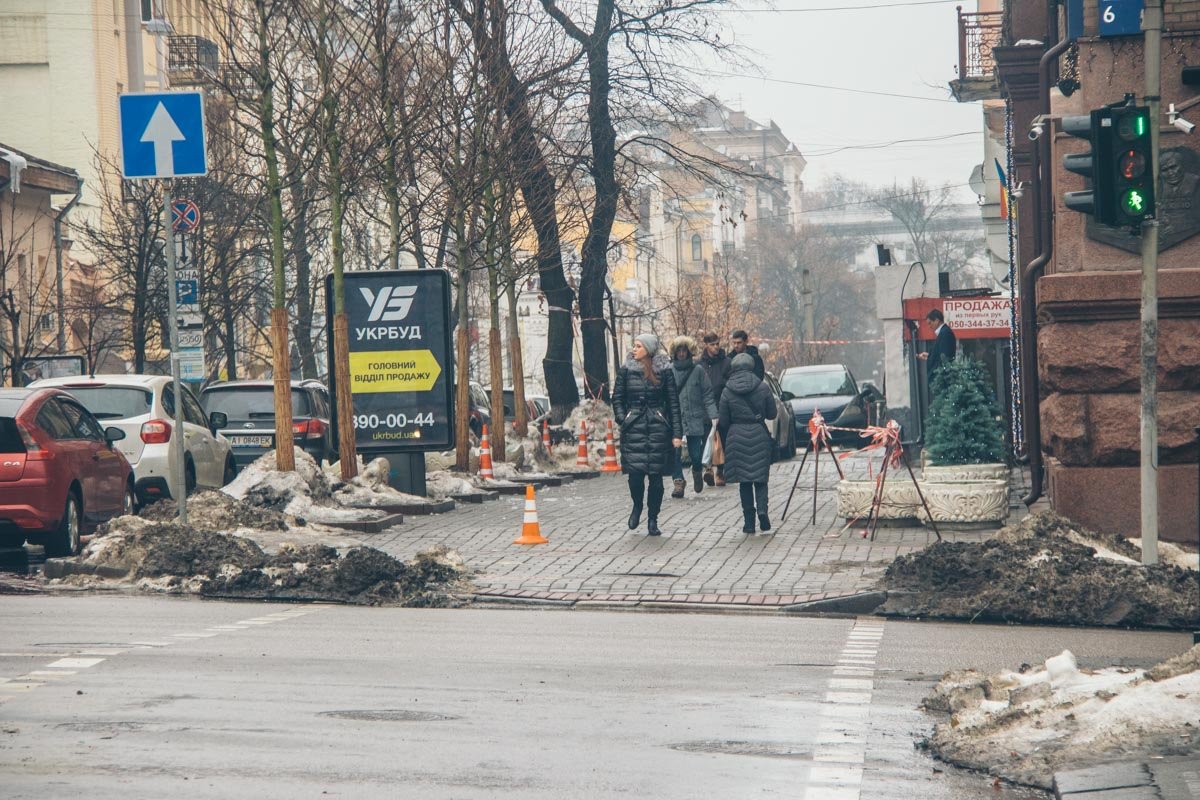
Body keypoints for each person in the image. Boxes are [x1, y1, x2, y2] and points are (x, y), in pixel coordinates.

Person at [613, 334, 683, 536]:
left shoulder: (665, 372)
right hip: (633, 428)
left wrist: (676, 433)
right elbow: (617, 398)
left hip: (658, 430)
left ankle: (653, 518)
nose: (634, 349)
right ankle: (637, 506)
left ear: (649, 349)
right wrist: (623, 418)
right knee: (635, 478)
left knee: (656, 480)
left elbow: (673, 404)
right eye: (634, 346)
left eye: (638, 346)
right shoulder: (626, 370)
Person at [718, 353, 777, 534]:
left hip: (736, 437)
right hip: (759, 435)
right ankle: (762, 511)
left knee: (744, 482)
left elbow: (723, 421)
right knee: (760, 479)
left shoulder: (727, 391)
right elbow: (772, 414)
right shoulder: (763, 387)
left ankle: (749, 522)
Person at [669, 336, 718, 498]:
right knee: (674, 453)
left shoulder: (698, 371)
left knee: (696, 454)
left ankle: (697, 471)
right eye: (679, 351)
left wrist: (713, 415)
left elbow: (708, 395)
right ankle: (678, 482)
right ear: (674, 353)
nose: (682, 353)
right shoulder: (669, 371)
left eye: (684, 350)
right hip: (675, 418)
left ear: (689, 352)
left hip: (695, 417)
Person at [699, 333, 732, 486]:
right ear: (706, 345)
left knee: (722, 438)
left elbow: (729, 383)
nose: (716, 347)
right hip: (705, 407)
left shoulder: (726, 363)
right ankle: (708, 469)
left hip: (722, 405)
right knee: (707, 439)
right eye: (712, 344)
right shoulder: (700, 364)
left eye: (717, 343)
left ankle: (720, 471)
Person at [918, 309, 957, 393]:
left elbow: (944, 357)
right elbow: (941, 354)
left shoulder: (945, 333)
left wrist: (937, 375)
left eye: (930, 323)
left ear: (936, 320)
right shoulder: (944, 332)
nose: (929, 326)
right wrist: (929, 356)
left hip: (942, 379)